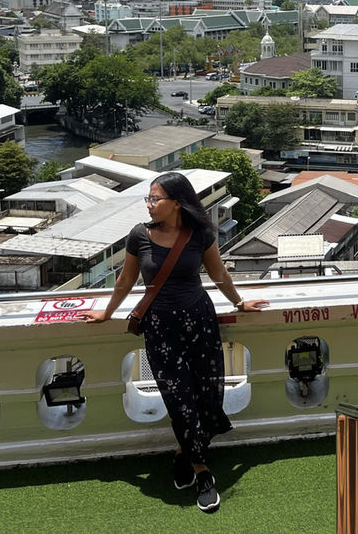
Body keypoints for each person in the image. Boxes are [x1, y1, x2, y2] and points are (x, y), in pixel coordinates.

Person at [79, 171, 268, 513]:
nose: (150, 205)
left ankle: (184, 453)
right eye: (148, 199)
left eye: (156, 199)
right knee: (179, 400)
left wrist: (240, 303)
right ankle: (203, 472)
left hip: (199, 322)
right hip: (160, 328)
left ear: (176, 203)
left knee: (206, 395)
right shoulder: (140, 236)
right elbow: (125, 279)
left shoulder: (200, 234)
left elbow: (219, 274)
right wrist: (106, 313)